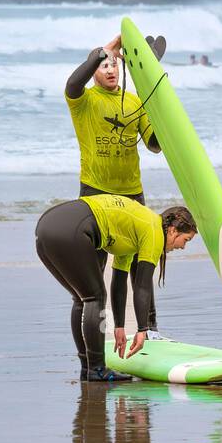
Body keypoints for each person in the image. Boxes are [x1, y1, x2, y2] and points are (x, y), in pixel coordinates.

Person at [35, 196, 197, 380]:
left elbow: (120, 282)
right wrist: (142, 330)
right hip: (71, 228)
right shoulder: (154, 232)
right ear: (173, 230)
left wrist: (119, 327)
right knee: (93, 298)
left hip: (48, 227)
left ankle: (88, 367)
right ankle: (97, 369)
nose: (183, 247)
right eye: (186, 239)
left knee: (83, 298)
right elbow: (142, 286)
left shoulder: (134, 232)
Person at [65, 34, 163, 332]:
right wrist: (108, 48)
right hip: (95, 192)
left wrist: (160, 103)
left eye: (114, 65)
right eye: (103, 64)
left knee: (141, 266)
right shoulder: (83, 101)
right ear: (93, 68)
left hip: (132, 194)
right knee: (93, 272)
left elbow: (155, 144)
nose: (110, 69)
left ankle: (150, 331)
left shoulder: (134, 101)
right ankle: (99, 334)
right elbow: (72, 83)